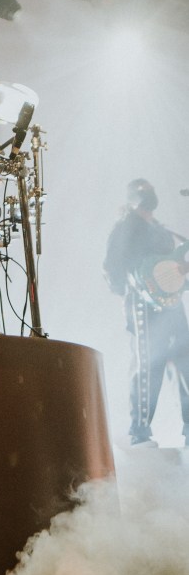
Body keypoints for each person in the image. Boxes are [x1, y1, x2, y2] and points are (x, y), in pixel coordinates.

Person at [103, 178, 189, 447]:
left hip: (172, 305)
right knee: (148, 364)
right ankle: (139, 432)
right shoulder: (126, 226)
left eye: (151, 190)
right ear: (132, 198)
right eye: (143, 192)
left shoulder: (163, 231)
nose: (149, 195)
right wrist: (130, 289)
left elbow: (173, 269)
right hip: (143, 305)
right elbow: (111, 267)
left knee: (185, 363)